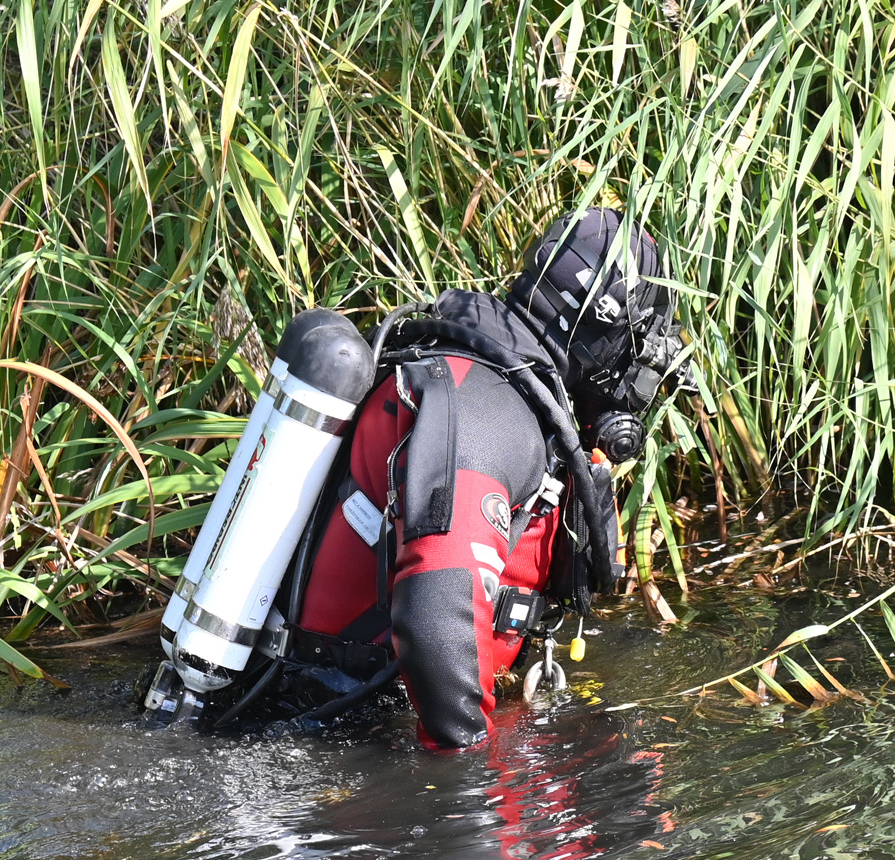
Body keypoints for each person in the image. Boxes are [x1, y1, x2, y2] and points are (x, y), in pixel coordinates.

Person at [215, 207, 691, 749]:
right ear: (602, 336)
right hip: (327, 734)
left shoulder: (491, 387)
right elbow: (437, 603)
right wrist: (467, 782)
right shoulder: (489, 412)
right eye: (640, 351)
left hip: (355, 713)